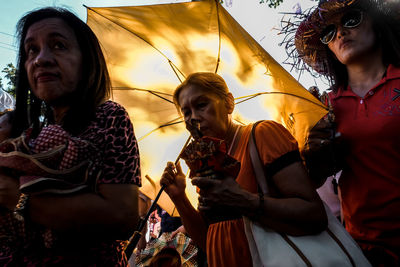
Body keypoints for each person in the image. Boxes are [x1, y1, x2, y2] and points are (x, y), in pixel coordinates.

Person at [0, 7, 141, 266]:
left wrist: (19, 201)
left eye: (58, 45)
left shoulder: (109, 118)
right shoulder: (27, 135)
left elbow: (122, 215)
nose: (41, 59)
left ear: (87, 59)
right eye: (31, 49)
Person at [160, 72, 327, 267]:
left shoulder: (262, 135)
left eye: (201, 105)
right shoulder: (205, 166)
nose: (194, 118)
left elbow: (314, 215)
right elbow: (209, 239)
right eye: (186, 112)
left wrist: (244, 200)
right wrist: (179, 198)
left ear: (229, 103)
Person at [284, 0, 400, 265]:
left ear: (377, 24)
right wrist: (314, 156)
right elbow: (311, 181)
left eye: (350, 20)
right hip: (364, 248)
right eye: (329, 32)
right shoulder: (323, 107)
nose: (339, 33)